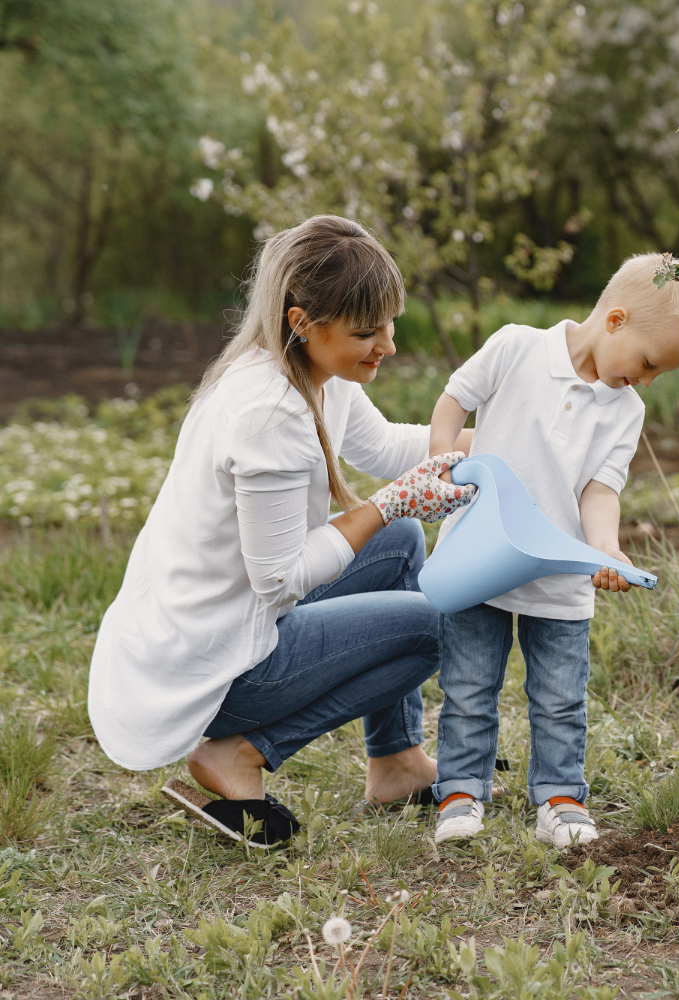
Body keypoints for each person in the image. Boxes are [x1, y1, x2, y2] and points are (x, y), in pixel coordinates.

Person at [87, 215, 475, 847]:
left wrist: (517, 447)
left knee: (401, 543)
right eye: (366, 331)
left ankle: (397, 763)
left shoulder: (312, 371)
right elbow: (280, 577)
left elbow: (387, 448)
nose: (389, 345)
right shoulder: (268, 413)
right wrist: (388, 504)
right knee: (436, 622)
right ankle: (242, 751)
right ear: (302, 322)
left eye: (391, 324)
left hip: (219, 623)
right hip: (208, 669)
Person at [424, 254, 679, 848]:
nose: (648, 380)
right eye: (649, 363)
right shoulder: (516, 348)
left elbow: (599, 490)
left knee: (559, 698)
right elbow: (455, 398)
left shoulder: (626, 410)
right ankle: (460, 790)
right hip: (480, 561)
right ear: (616, 320)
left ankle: (558, 796)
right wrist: (441, 461)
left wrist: (604, 549)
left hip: (559, 577)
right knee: (470, 687)